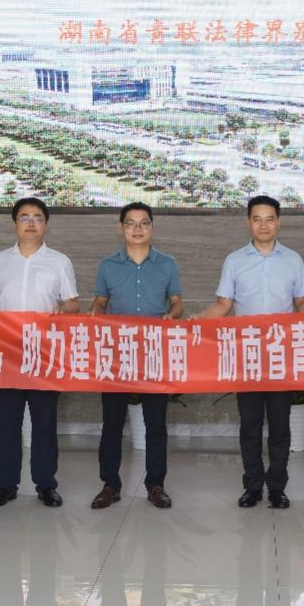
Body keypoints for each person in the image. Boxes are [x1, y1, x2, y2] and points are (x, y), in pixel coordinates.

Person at [199, 195, 304, 509]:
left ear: (279, 222)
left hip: (279, 356)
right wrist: (197, 323)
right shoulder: (235, 260)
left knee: (280, 426)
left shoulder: (293, 260)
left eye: (269, 219)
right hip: (247, 355)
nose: (264, 225)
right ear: (248, 222)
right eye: (257, 219)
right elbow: (223, 304)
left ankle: (277, 487)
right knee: (249, 425)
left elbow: (302, 303)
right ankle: (252, 486)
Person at [0, 197, 79, 509]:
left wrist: (63, 311)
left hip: (43, 354)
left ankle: (46, 485)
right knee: (7, 424)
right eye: (24, 217)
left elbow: (72, 302)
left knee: (44, 423)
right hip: (6, 354)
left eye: (37, 217)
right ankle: (5, 485)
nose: (31, 222)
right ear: (15, 224)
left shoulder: (59, 261)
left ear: (46, 225)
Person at [91, 202, 183, 510]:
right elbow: (100, 302)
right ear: (121, 228)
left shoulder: (167, 264)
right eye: (130, 223)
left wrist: (172, 315)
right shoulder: (108, 265)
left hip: (154, 352)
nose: (137, 229)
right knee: (112, 423)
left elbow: (177, 302)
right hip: (117, 354)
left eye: (144, 223)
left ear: (152, 227)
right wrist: (96, 313)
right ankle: (110, 485)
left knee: (155, 423)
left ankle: (156, 485)